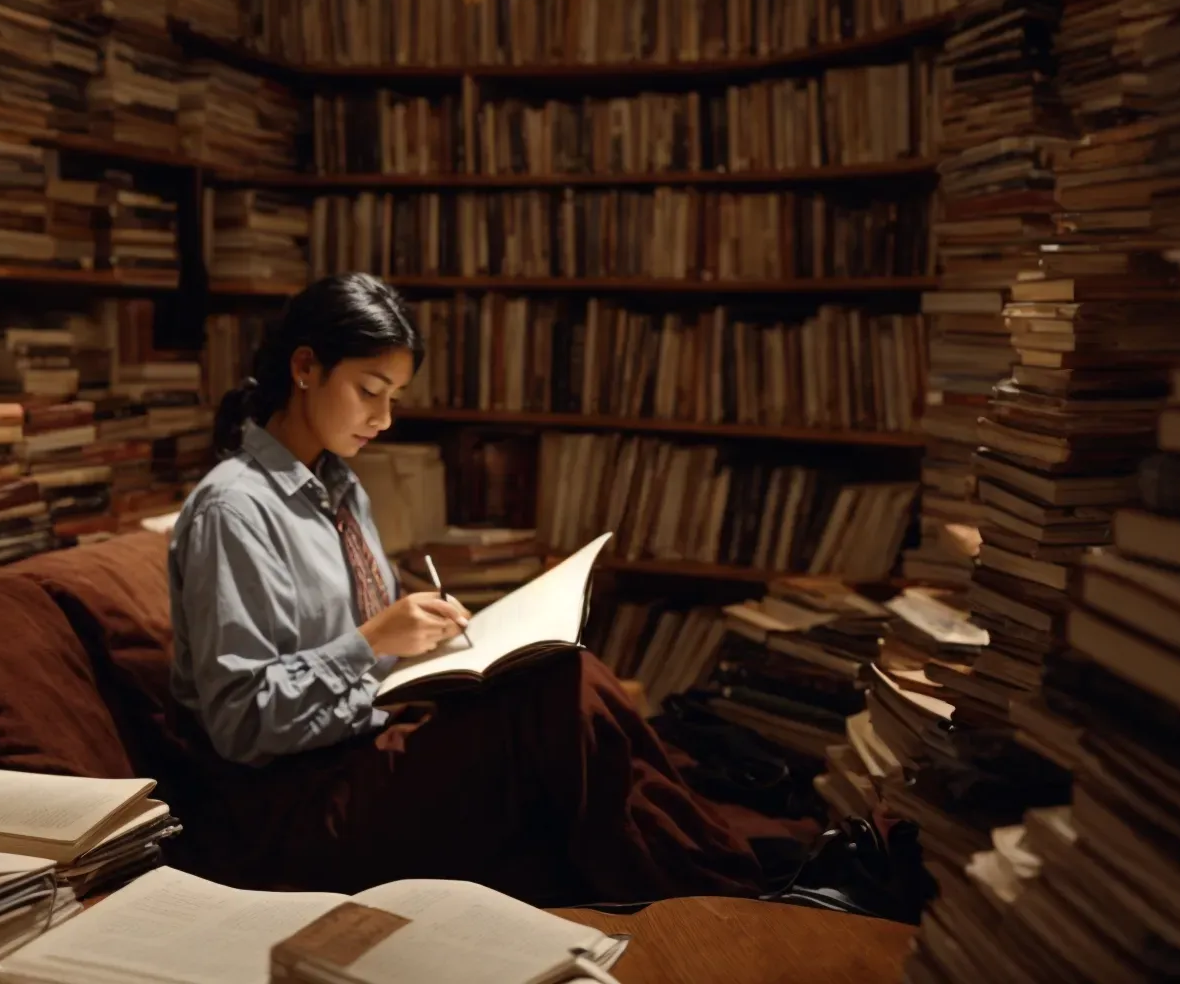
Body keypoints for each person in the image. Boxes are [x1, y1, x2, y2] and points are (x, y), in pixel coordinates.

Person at [165, 273, 801, 905]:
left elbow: (363, 655)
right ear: (306, 367)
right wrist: (372, 640)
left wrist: (443, 650)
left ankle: (718, 869)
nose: (383, 419)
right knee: (561, 697)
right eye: (369, 391)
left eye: (395, 398)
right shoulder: (233, 510)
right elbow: (239, 724)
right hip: (290, 799)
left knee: (561, 669)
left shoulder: (336, 486)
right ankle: (725, 885)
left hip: (361, 739)